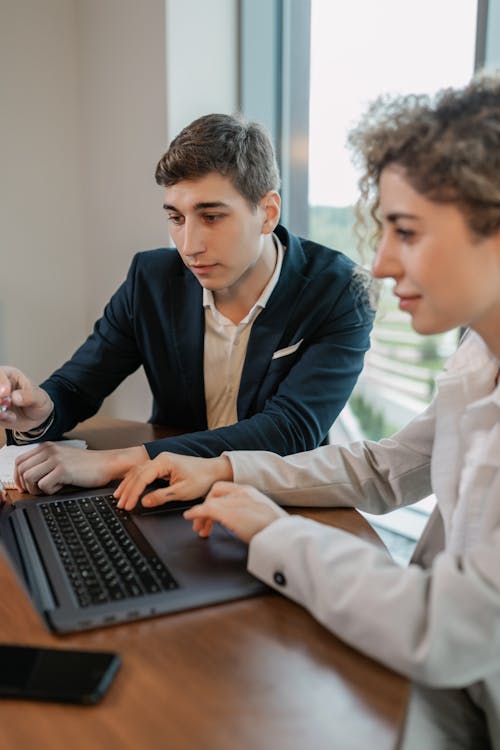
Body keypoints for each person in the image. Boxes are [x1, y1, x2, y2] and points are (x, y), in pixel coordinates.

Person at [114, 73, 500, 746]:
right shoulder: (479, 359)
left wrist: (271, 529)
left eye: (405, 232)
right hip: (446, 687)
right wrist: (231, 471)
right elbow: (385, 469)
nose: (378, 264)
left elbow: (443, 628)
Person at [0, 113, 373, 496]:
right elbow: (77, 386)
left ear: (268, 212)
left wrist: (117, 461)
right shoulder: (151, 279)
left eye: (211, 217)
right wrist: (41, 408)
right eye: (176, 218)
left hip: (278, 498)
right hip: (166, 496)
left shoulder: (340, 291)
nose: (189, 245)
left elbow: (289, 429)